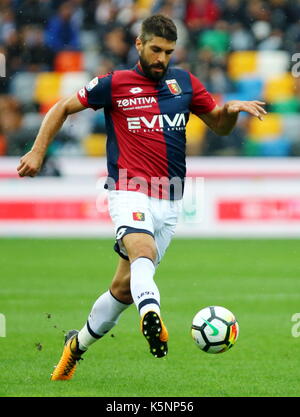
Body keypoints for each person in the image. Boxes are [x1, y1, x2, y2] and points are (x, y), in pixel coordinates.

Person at [17, 14, 266, 380]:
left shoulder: (184, 83)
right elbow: (61, 107)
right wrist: (38, 151)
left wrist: (229, 111)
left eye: (167, 51)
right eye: (155, 49)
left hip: (170, 201)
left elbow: (218, 124)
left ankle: (76, 346)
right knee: (143, 254)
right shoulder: (114, 84)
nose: (161, 58)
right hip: (127, 191)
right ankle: (151, 315)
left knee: (122, 287)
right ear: (139, 45)